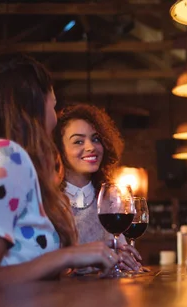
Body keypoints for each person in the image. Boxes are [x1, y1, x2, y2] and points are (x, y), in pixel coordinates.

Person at [0, 52, 130, 296]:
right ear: (32, 105)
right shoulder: (4, 156)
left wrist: (85, 256)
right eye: (53, 105)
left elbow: (15, 264)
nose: (54, 119)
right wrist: (67, 256)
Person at [53, 103, 141, 272]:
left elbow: (119, 257)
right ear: (59, 151)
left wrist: (124, 261)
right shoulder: (48, 202)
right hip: (61, 297)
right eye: (78, 141)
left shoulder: (109, 201)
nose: (90, 147)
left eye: (95, 139)